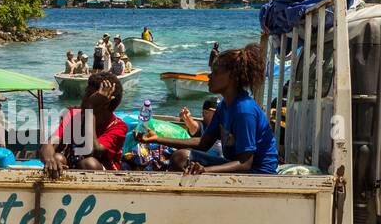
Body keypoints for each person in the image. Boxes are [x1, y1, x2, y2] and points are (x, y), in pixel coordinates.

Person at [140, 43, 278, 174]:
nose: (209, 76)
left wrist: (205, 170)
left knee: (180, 158)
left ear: (232, 76)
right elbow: (203, 143)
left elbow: (245, 163)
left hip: (257, 173)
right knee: (180, 157)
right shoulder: (224, 105)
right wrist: (157, 138)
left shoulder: (244, 111)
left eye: (215, 72)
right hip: (239, 166)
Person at [40, 71, 128, 174]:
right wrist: (50, 160)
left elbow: (93, 150)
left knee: (89, 164)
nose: (84, 98)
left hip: (104, 177)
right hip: (72, 166)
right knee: (56, 158)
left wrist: (91, 109)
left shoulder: (118, 127)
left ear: (105, 103)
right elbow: (49, 144)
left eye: (90, 96)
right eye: (86, 93)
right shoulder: (74, 114)